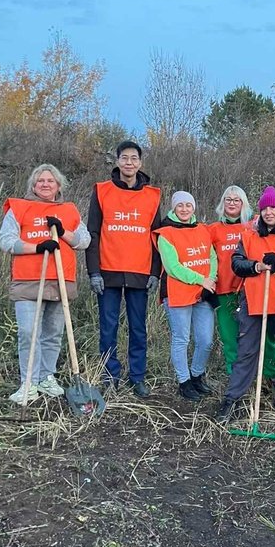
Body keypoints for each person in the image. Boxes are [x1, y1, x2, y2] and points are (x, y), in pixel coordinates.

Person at [0, 164, 90, 405]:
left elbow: (84, 241)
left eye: (50, 180)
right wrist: (37, 247)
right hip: (28, 280)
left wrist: (62, 233)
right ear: (33, 185)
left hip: (60, 279)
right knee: (29, 333)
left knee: (53, 333)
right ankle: (28, 383)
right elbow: (6, 241)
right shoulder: (19, 208)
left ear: (58, 185)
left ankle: (46, 377)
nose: (45, 184)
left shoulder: (69, 211)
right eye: (40, 181)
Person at [216, 186, 275, 423]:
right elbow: (237, 264)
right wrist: (256, 266)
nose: (268, 212)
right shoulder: (248, 236)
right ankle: (232, 399)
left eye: (273, 208)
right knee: (246, 351)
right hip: (254, 302)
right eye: (265, 208)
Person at [86, 141, 161, 397]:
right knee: (108, 327)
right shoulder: (102, 191)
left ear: (140, 162)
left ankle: (137, 377)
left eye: (134, 158)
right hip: (108, 272)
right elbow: (92, 233)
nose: (129, 163)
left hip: (140, 273)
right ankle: (109, 376)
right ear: (117, 161)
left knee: (139, 328)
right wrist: (93, 271)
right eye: (124, 158)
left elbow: (157, 237)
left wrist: (155, 271)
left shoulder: (152, 196)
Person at [207, 185, 275, 382]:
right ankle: (236, 377)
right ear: (223, 203)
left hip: (252, 291)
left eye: (236, 200)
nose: (232, 203)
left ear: (243, 203)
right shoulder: (213, 229)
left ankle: (270, 375)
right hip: (225, 291)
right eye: (228, 200)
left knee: (265, 336)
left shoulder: (255, 225)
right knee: (230, 338)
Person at [154, 191, 218, 401]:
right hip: (177, 293)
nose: (184, 209)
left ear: (193, 207)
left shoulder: (202, 229)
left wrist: (210, 278)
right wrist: (201, 279)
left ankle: (197, 375)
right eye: (179, 205)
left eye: (188, 205)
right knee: (181, 339)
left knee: (206, 340)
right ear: (173, 208)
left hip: (203, 293)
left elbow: (212, 256)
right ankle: (184, 381)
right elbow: (173, 267)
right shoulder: (165, 233)